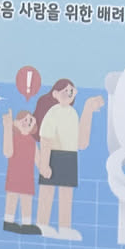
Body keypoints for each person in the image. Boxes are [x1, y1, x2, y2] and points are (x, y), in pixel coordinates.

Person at [33, 77, 105, 240]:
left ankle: (64, 228)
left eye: (71, 90)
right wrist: (44, 164)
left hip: (70, 156)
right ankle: (42, 224)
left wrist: (88, 110)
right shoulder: (52, 113)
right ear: (55, 94)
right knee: (47, 192)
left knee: (66, 194)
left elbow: (81, 142)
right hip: (53, 155)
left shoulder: (73, 114)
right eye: (65, 90)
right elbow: (46, 139)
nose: (69, 93)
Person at [1, 106, 42, 235]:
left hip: (27, 177)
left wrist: (45, 169)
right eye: (24, 119)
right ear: (17, 122)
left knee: (26, 199)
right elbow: (7, 152)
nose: (27, 122)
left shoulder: (32, 142)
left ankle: (26, 224)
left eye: (30, 121)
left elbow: (38, 160)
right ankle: (8, 221)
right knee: (12, 197)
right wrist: (7, 127)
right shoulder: (13, 138)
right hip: (14, 175)